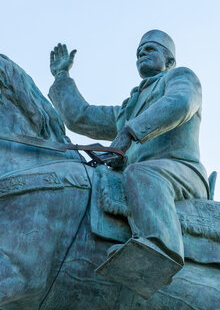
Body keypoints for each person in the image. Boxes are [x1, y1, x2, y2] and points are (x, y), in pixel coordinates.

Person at [48, 30, 209, 295]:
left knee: (143, 173)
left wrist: (129, 132)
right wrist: (62, 76)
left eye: (150, 49)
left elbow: (181, 102)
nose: (142, 54)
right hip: (136, 175)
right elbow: (82, 117)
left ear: (169, 61)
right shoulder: (128, 108)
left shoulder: (181, 77)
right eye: (138, 52)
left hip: (180, 170)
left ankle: (159, 251)